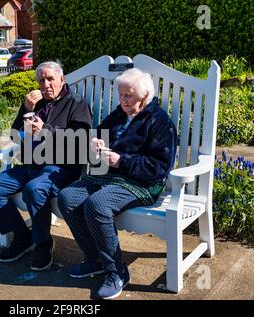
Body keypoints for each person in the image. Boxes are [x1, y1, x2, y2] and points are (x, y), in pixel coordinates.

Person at [57, 68, 177, 299]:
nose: (122, 100)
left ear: (145, 96)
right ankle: (95, 259)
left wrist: (122, 160)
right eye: (120, 94)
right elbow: (98, 135)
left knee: (97, 205)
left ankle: (117, 272)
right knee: (68, 196)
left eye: (128, 95)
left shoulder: (160, 122)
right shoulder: (119, 114)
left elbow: (159, 168)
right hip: (107, 177)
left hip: (140, 183)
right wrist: (94, 143)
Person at [0, 61, 92, 271]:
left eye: (50, 79)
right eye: (42, 80)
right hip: (32, 165)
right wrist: (26, 107)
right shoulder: (37, 102)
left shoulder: (76, 103)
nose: (46, 84)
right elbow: (14, 135)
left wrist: (45, 130)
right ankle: (23, 237)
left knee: (34, 189)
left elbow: (82, 139)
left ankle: (43, 243)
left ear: (62, 79)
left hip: (60, 168)